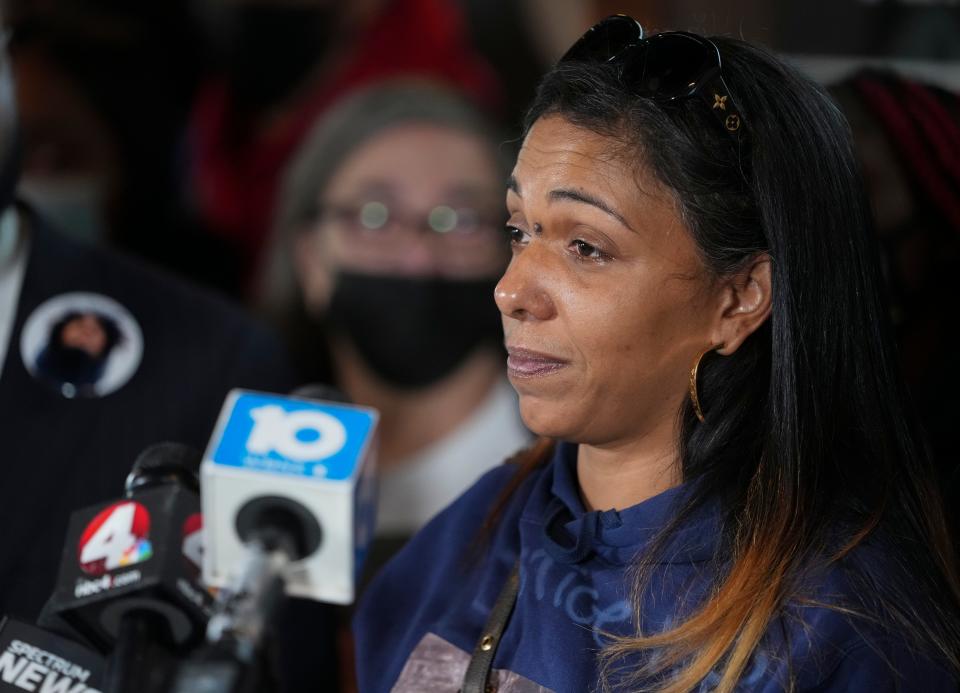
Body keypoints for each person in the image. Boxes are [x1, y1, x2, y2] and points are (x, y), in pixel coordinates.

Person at [353, 16, 960, 692]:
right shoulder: (479, 525)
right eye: (520, 230)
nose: (511, 290)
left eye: (587, 246)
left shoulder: (838, 632)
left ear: (739, 299)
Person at [262, 81, 530, 568]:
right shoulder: (264, 477)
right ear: (309, 260)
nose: (417, 255)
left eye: (462, 219)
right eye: (374, 216)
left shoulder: (568, 475)